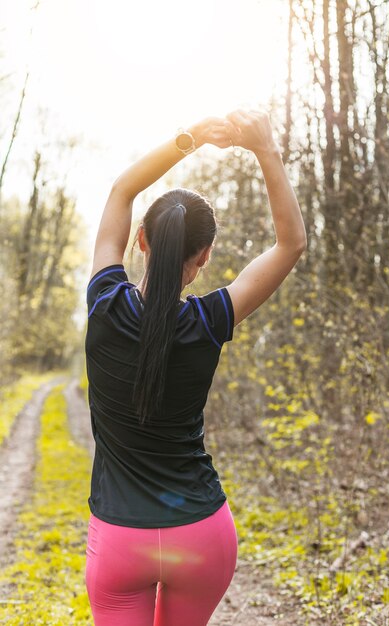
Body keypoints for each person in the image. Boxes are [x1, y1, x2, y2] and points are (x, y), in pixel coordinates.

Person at [84, 108, 307, 626]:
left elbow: (121, 190)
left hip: (121, 539)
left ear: (141, 240)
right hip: (202, 534)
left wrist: (190, 139)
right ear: (204, 257)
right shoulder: (210, 320)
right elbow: (290, 243)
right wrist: (265, 150)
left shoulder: (104, 303)